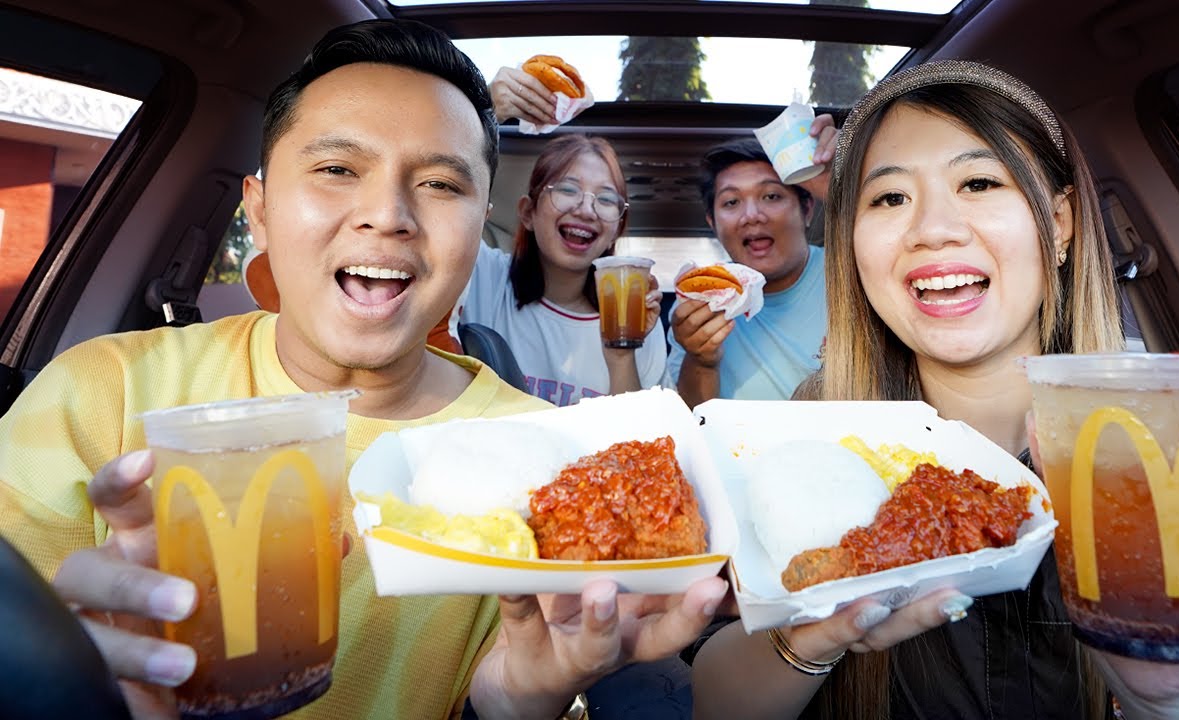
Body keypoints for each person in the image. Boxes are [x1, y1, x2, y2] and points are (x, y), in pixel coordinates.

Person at [0, 19, 726, 720]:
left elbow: (509, 682)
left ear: (483, 229)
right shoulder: (104, 391)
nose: (387, 213)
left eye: (442, 184)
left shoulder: (550, 461)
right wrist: (47, 672)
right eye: (338, 169)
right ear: (257, 207)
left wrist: (518, 699)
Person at [691, 60, 1179, 719]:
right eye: (889, 198)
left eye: (978, 182)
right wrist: (811, 642)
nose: (932, 229)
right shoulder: (804, 441)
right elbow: (714, 698)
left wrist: (1164, 698)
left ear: (1057, 222)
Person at [459, 135, 667, 406]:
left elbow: (639, 439)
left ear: (617, 229)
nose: (586, 210)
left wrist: (622, 351)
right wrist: (495, 106)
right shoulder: (484, 276)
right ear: (528, 213)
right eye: (568, 190)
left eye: (605, 199)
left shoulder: (636, 318)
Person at [666, 132, 834, 406]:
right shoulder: (697, 305)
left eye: (771, 195)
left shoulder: (853, 277)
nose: (751, 215)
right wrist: (701, 359)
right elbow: (693, 421)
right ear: (712, 222)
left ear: (807, 209)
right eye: (731, 202)